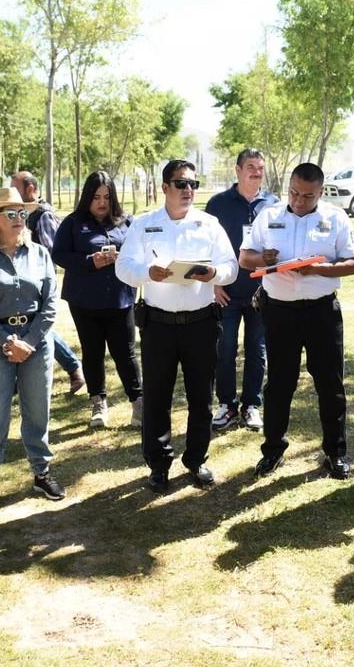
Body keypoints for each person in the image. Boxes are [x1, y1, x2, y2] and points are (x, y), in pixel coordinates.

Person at [116, 159, 237, 493]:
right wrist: (147, 273)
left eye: (193, 185)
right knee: (157, 399)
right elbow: (123, 267)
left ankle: (196, 459)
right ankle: (158, 465)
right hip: (159, 325)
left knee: (202, 398)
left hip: (201, 323)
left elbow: (230, 267)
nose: (188, 191)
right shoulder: (144, 225)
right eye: (181, 184)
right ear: (165, 187)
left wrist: (213, 275)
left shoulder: (209, 224)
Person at [240, 162, 354, 479]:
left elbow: (353, 264)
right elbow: (245, 257)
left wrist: (318, 269)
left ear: (321, 191)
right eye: (293, 192)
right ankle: (273, 451)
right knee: (279, 384)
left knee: (330, 385)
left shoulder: (335, 218)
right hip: (279, 311)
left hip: (321, 311)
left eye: (307, 195)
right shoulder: (269, 216)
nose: (298, 200)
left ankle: (335, 453)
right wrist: (263, 258)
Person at [0, 187, 65, 511]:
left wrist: (30, 342)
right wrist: (8, 341)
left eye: (22, 213)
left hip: (36, 341)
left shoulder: (40, 254)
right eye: (11, 213)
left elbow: (50, 305)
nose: (19, 219)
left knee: (38, 411)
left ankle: (41, 472)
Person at [51, 171, 143, 429]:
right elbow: (58, 254)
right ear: (86, 198)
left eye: (107, 197)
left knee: (125, 353)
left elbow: (140, 252)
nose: (102, 203)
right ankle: (98, 404)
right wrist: (90, 261)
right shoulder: (72, 222)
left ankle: (138, 403)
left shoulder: (127, 223)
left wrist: (120, 256)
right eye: (96, 197)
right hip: (84, 300)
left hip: (120, 298)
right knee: (92, 353)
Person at [205, 148, 277, 431]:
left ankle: (251, 406)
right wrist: (214, 283)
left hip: (262, 292)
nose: (256, 172)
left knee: (257, 349)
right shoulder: (218, 204)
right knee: (225, 349)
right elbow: (206, 245)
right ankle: (226, 405)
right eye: (250, 167)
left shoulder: (272, 203)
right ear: (237, 170)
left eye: (260, 167)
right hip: (227, 292)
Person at [12, 169, 88, 396]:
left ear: (31, 189)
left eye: (16, 187)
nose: (12, 193)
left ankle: (74, 367)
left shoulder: (42, 215)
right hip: (24, 281)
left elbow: (53, 251)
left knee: (39, 327)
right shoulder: (23, 213)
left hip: (38, 282)